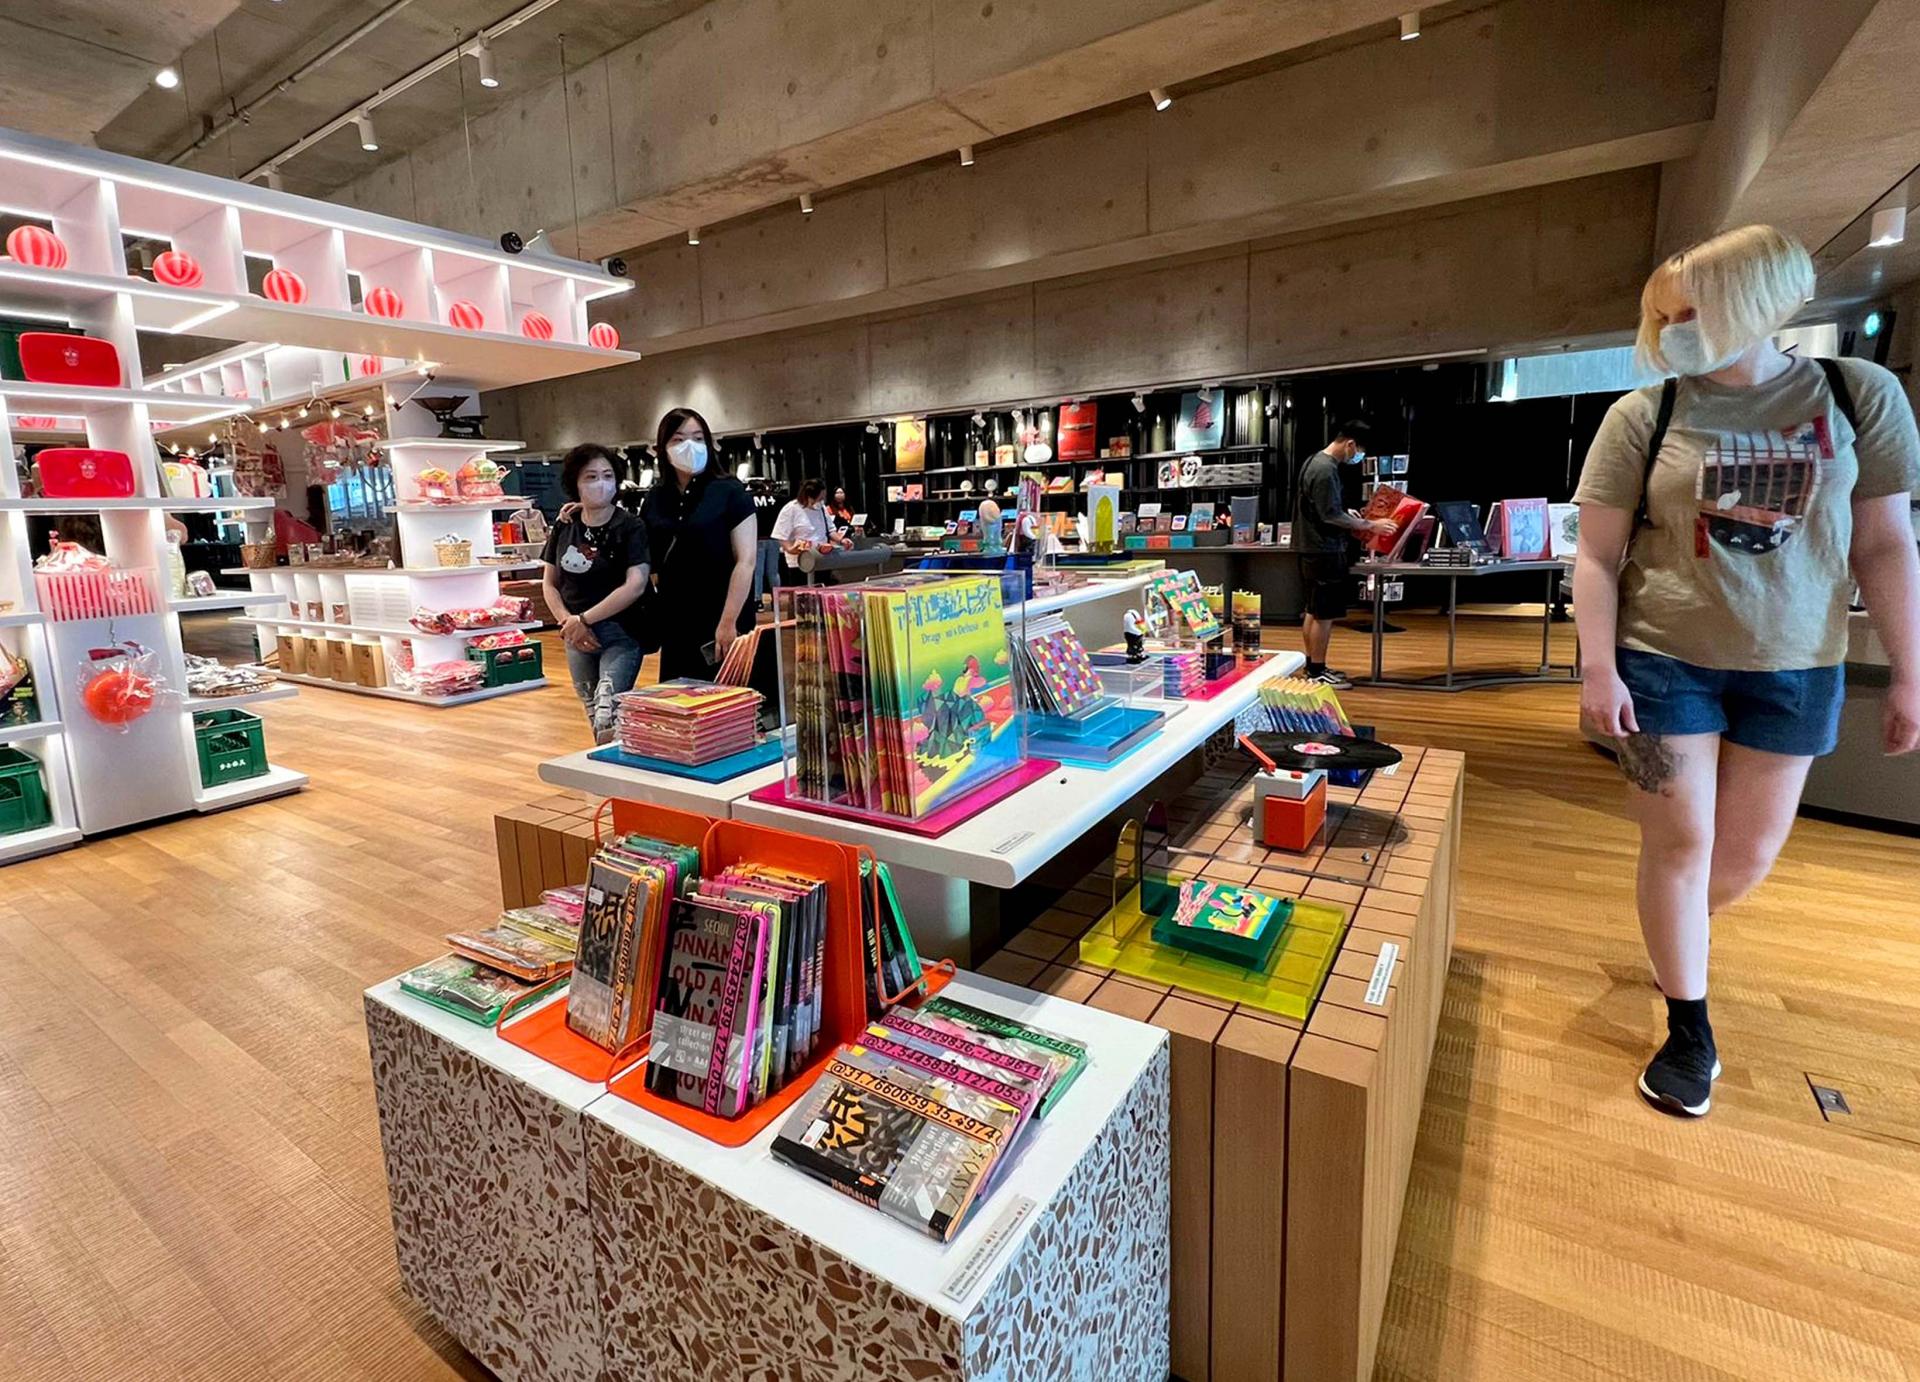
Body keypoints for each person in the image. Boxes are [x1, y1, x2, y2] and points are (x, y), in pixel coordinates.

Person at [1573, 225, 1920, 1118]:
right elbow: (1598, 557)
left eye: (1692, 312)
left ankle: (1673, 936)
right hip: (1663, 662)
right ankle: (1690, 1029)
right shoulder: (1643, 416)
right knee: (1678, 845)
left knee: (1746, 855)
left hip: (1797, 664)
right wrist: (1598, 669)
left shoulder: (1859, 395)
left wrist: (1910, 670)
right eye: (1665, 316)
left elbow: (1886, 543)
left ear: (1758, 301)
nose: (1676, 330)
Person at [637, 407, 760, 679]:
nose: (689, 446)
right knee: (679, 694)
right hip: (676, 618)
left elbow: (746, 561)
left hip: (724, 613)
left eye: (697, 438)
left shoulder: (730, 490)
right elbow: (647, 556)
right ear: (663, 447)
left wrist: (728, 621)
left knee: (727, 694)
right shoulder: (656, 497)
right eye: (678, 439)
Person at [540, 443, 650, 743]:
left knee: (607, 711)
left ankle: (623, 764)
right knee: (592, 713)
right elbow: (549, 583)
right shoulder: (565, 526)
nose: (600, 483)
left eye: (607, 476)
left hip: (620, 632)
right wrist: (568, 622)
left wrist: (584, 619)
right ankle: (609, 766)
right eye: (591, 477)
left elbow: (635, 584)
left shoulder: (629, 526)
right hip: (575, 636)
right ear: (575, 483)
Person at [1293, 420, 1397, 687]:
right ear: (1350, 444)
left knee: (1313, 610)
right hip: (1324, 549)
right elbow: (1329, 515)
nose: (1358, 457)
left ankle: (1313, 666)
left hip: (1312, 547)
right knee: (1324, 613)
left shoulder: (1313, 461)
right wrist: (1370, 525)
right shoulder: (1326, 469)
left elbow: (1324, 508)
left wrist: (1346, 515)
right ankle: (1317, 671)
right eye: (1359, 451)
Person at [772, 478, 848, 575]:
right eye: (819, 499)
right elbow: (781, 535)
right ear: (808, 497)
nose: (821, 501)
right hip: (800, 562)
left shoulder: (821, 508)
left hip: (822, 559)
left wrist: (841, 540)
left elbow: (830, 530)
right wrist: (790, 548)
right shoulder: (791, 509)